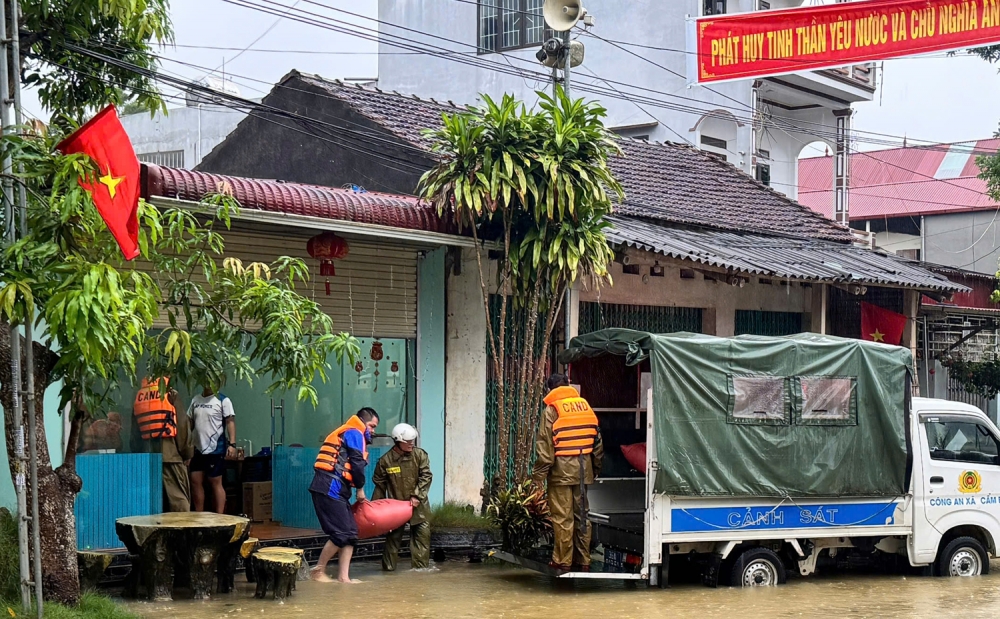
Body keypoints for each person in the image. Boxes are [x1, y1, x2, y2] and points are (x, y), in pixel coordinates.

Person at [531, 373, 603, 572]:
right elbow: (597, 442)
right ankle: (584, 561)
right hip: (584, 469)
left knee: (563, 517)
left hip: (561, 471)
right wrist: (595, 468)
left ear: (550, 390)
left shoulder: (552, 409)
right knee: (582, 517)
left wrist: (537, 478)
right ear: (568, 386)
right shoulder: (584, 405)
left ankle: (563, 562)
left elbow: (546, 449)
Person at [309, 407, 380, 583]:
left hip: (334, 489)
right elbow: (356, 463)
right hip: (329, 487)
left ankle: (344, 578)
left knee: (351, 533)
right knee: (341, 533)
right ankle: (318, 571)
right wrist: (360, 488)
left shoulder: (350, 432)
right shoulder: (354, 432)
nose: (373, 431)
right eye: (372, 426)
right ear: (363, 421)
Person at [372, 423, 433, 571]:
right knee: (392, 541)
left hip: (419, 507)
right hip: (396, 509)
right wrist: (375, 510)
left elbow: (426, 476)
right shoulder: (385, 461)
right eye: (407, 441)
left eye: (412, 440)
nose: (411, 443)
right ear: (397, 441)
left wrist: (417, 496)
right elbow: (380, 487)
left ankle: (420, 574)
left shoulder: (420, 455)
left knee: (422, 541)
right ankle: (388, 571)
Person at [132, 377, 195, 512]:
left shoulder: (140, 396)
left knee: (153, 502)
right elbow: (182, 425)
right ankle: (182, 531)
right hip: (171, 456)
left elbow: (134, 433)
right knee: (179, 499)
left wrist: (138, 456)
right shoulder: (170, 393)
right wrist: (187, 452)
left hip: (147, 457)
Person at [188, 382, 236, 514]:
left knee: (215, 481)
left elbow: (230, 421)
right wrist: (186, 444)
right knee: (195, 480)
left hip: (216, 448)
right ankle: (199, 515)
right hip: (198, 448)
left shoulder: (223, 400)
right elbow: (189, 422)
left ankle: (220, 515)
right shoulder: (195, 400)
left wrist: (232, 444)